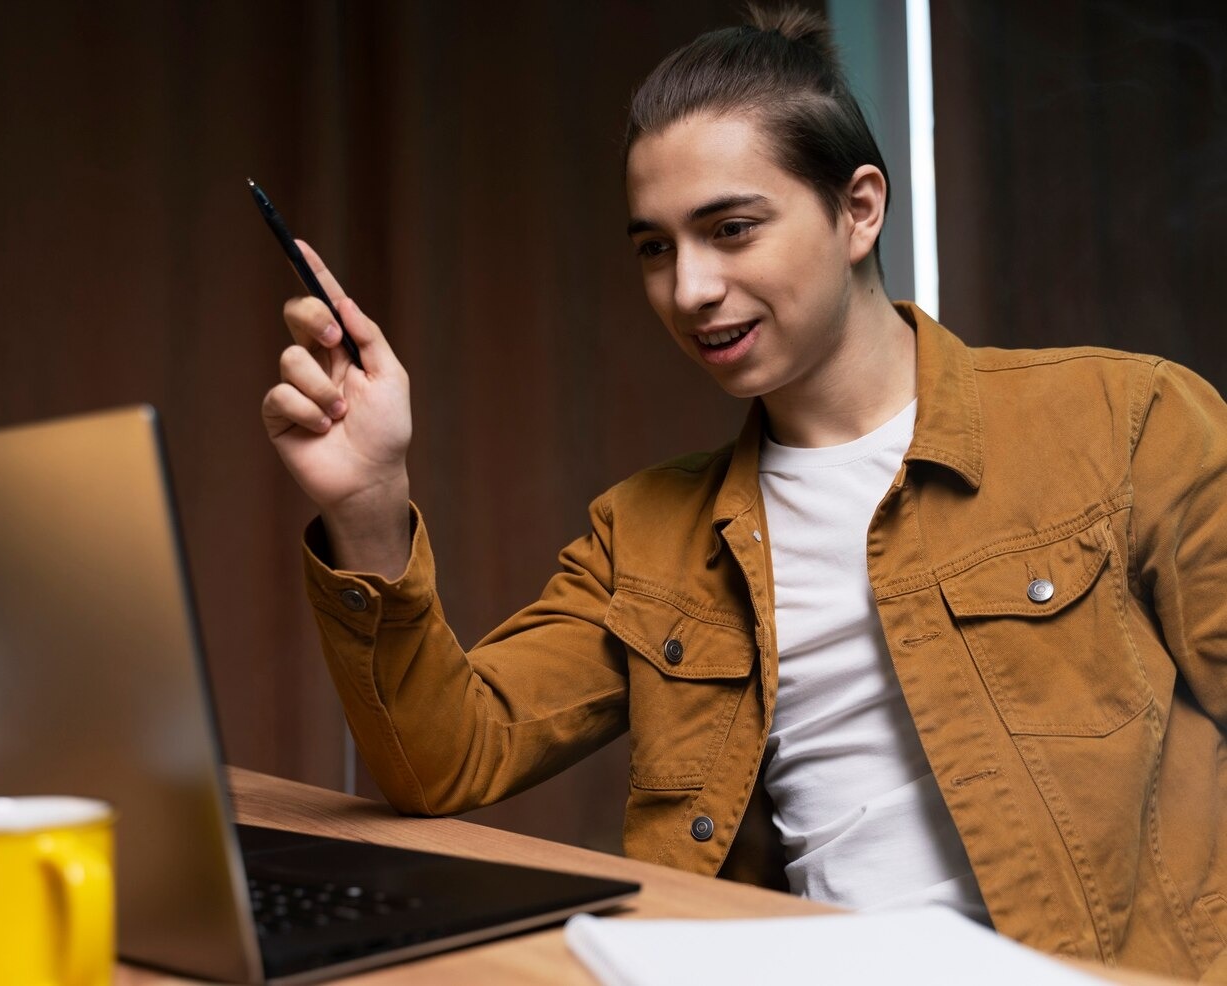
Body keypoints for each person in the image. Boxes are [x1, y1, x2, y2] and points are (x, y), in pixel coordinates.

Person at [261, 6, 1227, 981]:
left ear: (858, 208)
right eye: (654, 248)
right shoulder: (642, 535)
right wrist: (372, 499)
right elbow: (446, 757)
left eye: (730, 229)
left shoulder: (1128, 420)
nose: (689, 288)